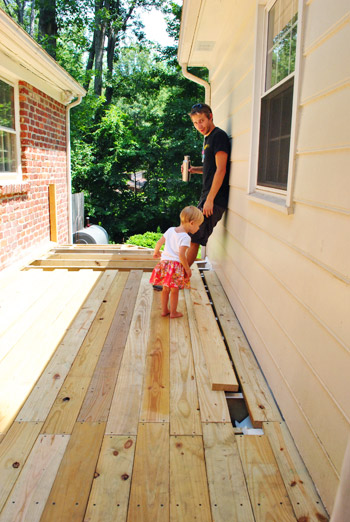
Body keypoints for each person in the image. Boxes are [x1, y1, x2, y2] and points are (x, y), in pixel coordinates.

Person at [184, 102, 231, 266]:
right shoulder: (208, 139)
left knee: (194, 237)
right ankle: (180, 277)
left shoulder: (218, 136)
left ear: (210, 116)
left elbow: (221, 169)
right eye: (195, 123)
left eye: (202, 121)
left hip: (214, 199)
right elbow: (210, 168)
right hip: (207, 197)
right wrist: (193, 169)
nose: (199, 126)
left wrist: (210, 199)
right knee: (191, 235)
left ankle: (179, 278)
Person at [150, 206, 204, 318]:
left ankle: (164, 310)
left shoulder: (170, 230)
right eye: (198, 225)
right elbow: (181, 255)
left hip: (164, 264)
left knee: (165, 289)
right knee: (174, 290)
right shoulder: (185, 237)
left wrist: (156, 252)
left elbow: (159, 243)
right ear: (192, 223)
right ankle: (173, 312)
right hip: (174, 266)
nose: (198, 228)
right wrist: (187, 269)